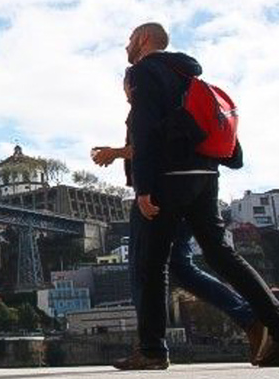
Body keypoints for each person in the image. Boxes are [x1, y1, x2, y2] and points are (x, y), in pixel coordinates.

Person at [113, 22, 279, 369]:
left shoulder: (144, 71)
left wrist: (143, 188)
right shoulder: (188, 74)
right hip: (205, 176)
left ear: (144, 40)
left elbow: (144, 130)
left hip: (168, 178)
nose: (127, 44)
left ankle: (153, 351)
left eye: (131, 38)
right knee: (222, 256)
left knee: (152, 262)